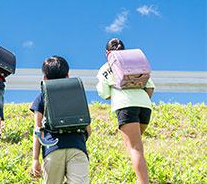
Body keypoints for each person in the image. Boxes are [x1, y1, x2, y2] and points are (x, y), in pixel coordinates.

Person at [97, 38, 155, 184]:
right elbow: (150, 87)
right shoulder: (135, 63)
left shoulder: (105, 68)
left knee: (134, 148)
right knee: (137, 146)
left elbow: (104, 94)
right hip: (145, 105)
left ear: (107, 53)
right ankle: (140, 178)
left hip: (125, 106)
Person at [31, 56, 91, 184]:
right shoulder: (77, 94)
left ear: (45, 79)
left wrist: (35, 158)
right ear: (67, 76)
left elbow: (37, 130)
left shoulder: (41, 97)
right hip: (77, 148)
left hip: (52, 149)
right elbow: (88, 129)